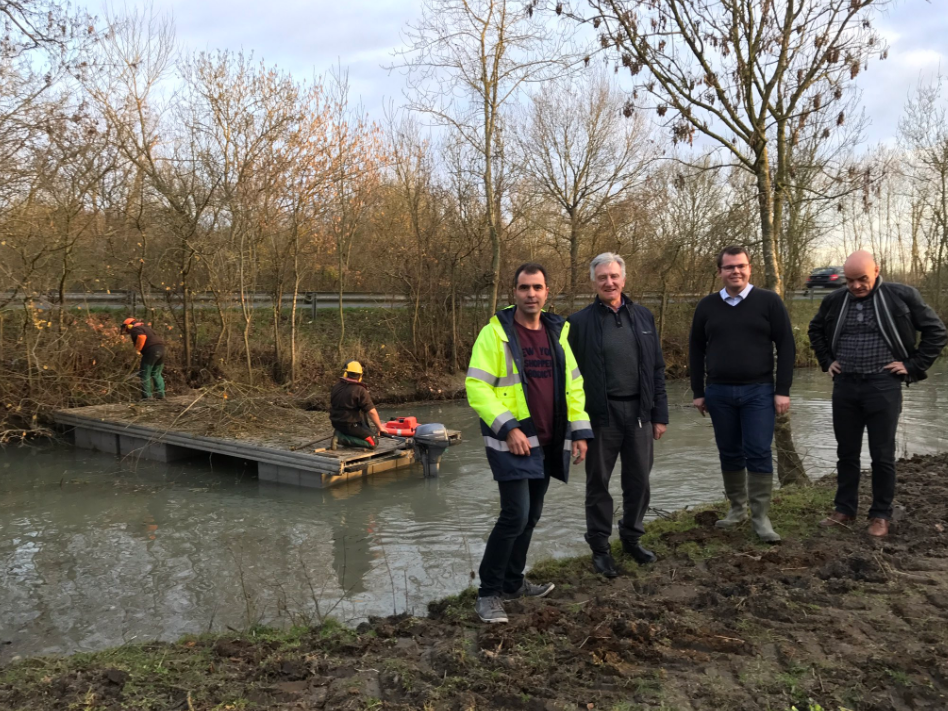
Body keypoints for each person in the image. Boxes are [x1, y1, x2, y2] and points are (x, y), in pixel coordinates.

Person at [466, 263, 593, 624]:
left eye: (537, 287)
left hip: (550, 440)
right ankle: (488, 593)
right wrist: (508, 428)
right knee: (514, 515)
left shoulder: (558, 332)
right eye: (524, 288)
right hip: (514, 440)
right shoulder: (495, 334)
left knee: (532, 515)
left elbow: (574, 386)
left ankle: (512, 581)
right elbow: (477, 387)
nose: (531, 294)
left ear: (547, 292)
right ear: (514, 292)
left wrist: (580, 432)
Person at [808, 250, 946, 537]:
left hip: (883, 385)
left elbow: (936, 331)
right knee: (846, 452)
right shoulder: (834, 301)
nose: (856, 286)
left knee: (882, 455)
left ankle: (880, 514)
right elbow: (815, 329)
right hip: (845, 385)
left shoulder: (901, 295)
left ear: (876, 271)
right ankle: (844, 509)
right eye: (850, 281)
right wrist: (826, 361)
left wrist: (912, 365)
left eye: (862, 279)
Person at [567, 253, 669, 578]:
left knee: (639, 481)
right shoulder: (578, 323)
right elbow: (568, 378)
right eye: (602, 278)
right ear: (593, 282)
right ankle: (600, 549)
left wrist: (660, 414)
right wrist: (575, 426)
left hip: (639, 412)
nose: (609, 282)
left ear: (624, 279)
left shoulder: (644, 317)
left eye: (614, 276)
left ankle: (631, 538)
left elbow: (656, 369)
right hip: (600, 414)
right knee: (598, 484)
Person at [688, 246, 795, 543]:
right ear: (720, 271)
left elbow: (786, 346)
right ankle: (737, 509)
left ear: (750, 268)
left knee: (759, 450)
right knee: (729, 450)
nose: (735, 271)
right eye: (729, 267)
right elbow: (696, 350)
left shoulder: (768, 302)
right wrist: (699, 391)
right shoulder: (707, 306)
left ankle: (760, 517)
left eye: (741, 266)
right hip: (718, 391)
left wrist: (782, 390)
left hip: (759, 390)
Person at [329, 361, 385, 450]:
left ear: (346, 373)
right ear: (360, 376)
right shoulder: (360, 390)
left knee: (363, 426)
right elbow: (371, 412)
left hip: (335, 422)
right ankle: (341, 439)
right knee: (373, 442)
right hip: (350, 425)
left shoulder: (336, 386)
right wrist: (380, 428)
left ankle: (341, 433)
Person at [121, 317, 166, 400]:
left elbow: (141, 337)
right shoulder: (146, 328)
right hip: (161, 350)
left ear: (128, 326)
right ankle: (161, 395)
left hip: (151, 351)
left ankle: (147, 396)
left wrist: (138, 349)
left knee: (145, 374)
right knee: (156, 373)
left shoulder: (135, 329)